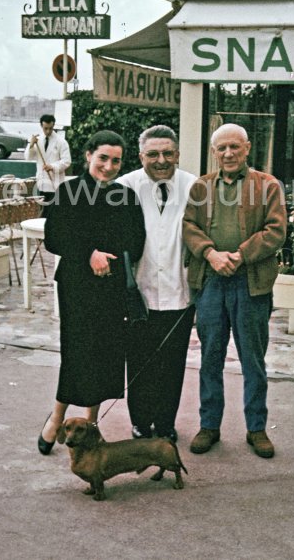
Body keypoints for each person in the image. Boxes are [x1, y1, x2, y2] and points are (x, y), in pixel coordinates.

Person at [37, 130, 145, 455]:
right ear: (88, 156)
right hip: (76, 287)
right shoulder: (68, 191)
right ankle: (56, 418)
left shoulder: (125, 197)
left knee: (103, 354)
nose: (109, 166)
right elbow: (54, 238)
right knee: (77, 352)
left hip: (110, 289)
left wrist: (110, 254)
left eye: (116, 161)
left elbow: (136, 242)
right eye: (103, 158)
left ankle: (91, 423)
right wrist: (88, 252)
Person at [182, 123, 287, 458]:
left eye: (234, 147)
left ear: (247, 148)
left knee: (252, 359)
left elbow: (276, 230)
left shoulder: (267, 185)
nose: (228, 154)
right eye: (221, 148)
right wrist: (210, 254)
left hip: (250, 283)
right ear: (214, 152)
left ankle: (256, 429)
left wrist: (241, 255)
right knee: (210, 357)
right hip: (211, 281)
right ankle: (209, 425)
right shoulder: (201, 187)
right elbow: (188, 225)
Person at [116, 125, 197, 442]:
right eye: (153, 154)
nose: (161, 160)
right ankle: (140, 421)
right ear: (141, 156)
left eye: (168, 153)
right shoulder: (124, 187)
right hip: (139, 294)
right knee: (138, 361)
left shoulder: (194, 187)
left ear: (177, 154)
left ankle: (165, 423)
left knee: (172, 364)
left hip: (180, 292)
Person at [25, 114, 71, 207]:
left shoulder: (61, 142)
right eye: (45, 128)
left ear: (53, 125)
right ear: (41, 126)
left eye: (50, 128)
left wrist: (52, 166)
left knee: (54, 212)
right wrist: (31, 145)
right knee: (42, 212)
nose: (48, 131)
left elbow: (67, 161)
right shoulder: (37, 140)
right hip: (41, 184)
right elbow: (28, 157)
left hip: (56, 184)